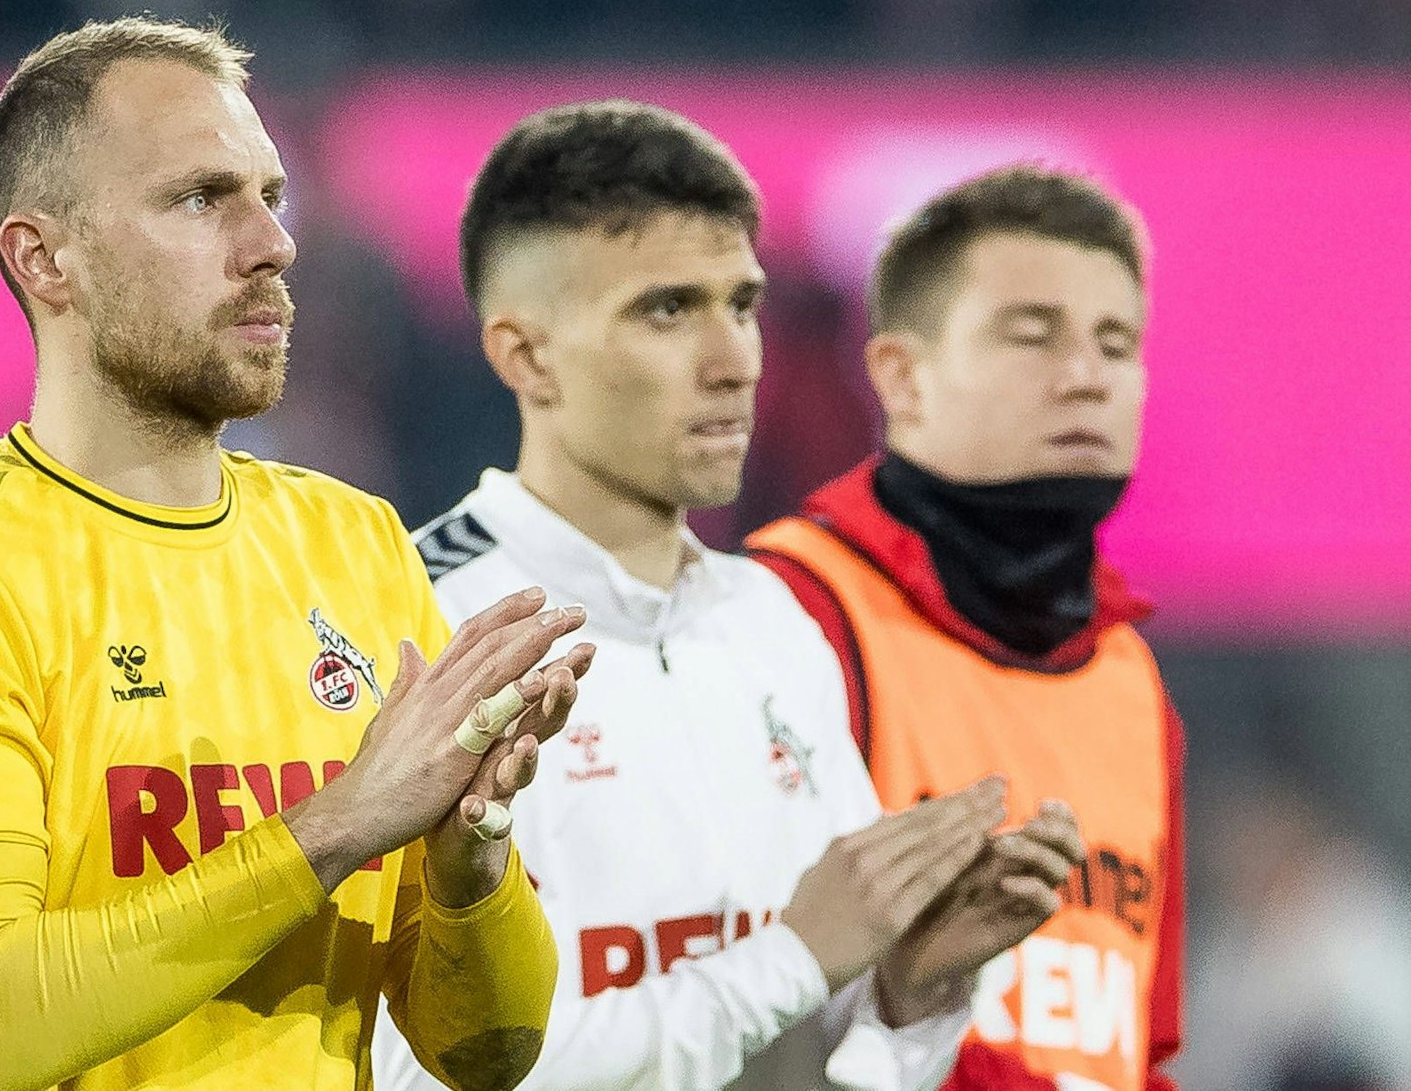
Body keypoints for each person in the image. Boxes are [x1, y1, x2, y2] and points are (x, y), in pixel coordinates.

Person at [0, 17, 595, 1091]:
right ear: (45, 259)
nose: (270, 241)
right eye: (198, 198)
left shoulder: (353, 546)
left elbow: (482, 1051)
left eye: (268, 194)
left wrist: (466, 868)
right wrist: (338, 826)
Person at [372, 101, 1086, 1091]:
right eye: (666, 310)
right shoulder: (412, 623)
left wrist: (913, 990)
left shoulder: (771, 622)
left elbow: (839, 1064)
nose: (733, 361)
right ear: (525, 355)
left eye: (741, 305)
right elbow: (414, 1073)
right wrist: (791, 959)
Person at [747, 165, 1185, 1090]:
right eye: (1033, 336)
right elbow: (716, 1015)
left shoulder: (1129, 679)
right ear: (901, 376)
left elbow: (1137, 1051)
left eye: (1117, 343)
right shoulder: (789, 613)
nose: (1086, 377)